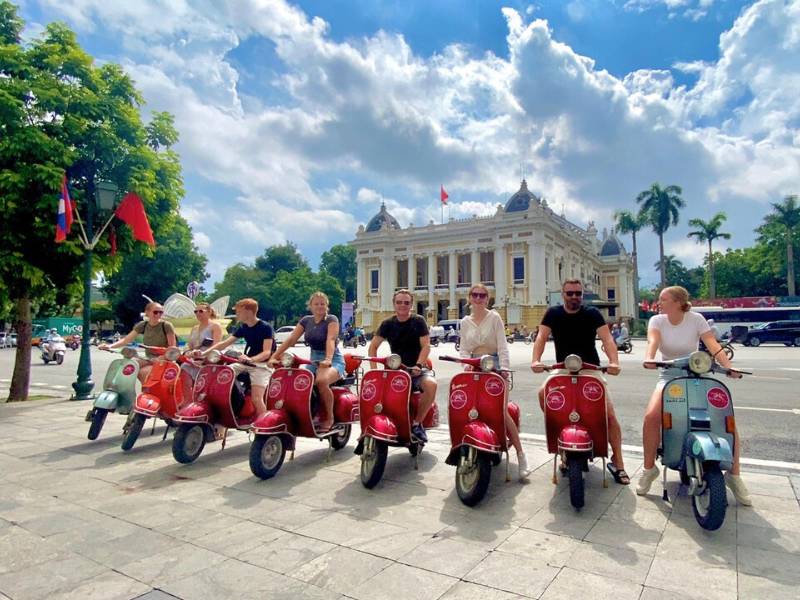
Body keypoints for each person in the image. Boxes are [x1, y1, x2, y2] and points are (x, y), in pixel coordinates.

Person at [637, 286, 751, 505]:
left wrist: (728, 366)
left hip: (697, 372)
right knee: (651, 416)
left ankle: (734, 475)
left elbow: (713, 345)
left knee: (727, 421)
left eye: (663, 299)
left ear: (679, 302)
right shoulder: (657, 321)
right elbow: (653, 341)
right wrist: (650, 358)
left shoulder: (696, 319)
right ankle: (649, 468)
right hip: (670, 375)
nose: (659, 302)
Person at [531, 279, 628, 484]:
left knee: (609, 414)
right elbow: (541, 337)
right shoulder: (553, 313)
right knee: (543, 394)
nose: (574, 297)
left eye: (578, 293)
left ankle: (618, 460)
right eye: (570, 293)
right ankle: (562, 442)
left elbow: (607, 339)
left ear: (582, 295)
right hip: (563, 368)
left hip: (589, 369)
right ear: (562, 295)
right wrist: (536, 360)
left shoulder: (592, 313)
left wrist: (614, 362)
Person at [459, 283, 530, 480]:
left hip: (494, 364)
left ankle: (521, 455)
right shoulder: (465, 321)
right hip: (473, 365)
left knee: (501, 409)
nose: (479, 298)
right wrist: (465, 364)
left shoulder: (494, 317)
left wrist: (504, 369)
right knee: (467, 406)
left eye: (483, 295)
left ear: (487, 298)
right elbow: (463, 348)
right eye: (475, 295)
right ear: (470, 297)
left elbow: (502, 346)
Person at [368, 289, 437, 442]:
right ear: (394, 304)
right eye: (399, 302)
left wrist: (419, 365)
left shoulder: (418, 321)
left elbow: (426, 346)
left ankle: (417, 423)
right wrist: (374, 371)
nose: (402, 306)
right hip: (395, 370)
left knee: (431, 385)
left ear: (411, 305)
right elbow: (373, 347)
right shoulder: (387, 324)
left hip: (416, 369)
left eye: (406, 303)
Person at [272, 292, 346, 433]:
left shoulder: (331, 319)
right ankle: (305, 413)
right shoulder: (306, 320)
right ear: (310, 306)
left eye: (322, 304)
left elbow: (330, 340)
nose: (319, 306)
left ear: (327, 306)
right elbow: (291, 339)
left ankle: (329, 417)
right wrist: (274, 356)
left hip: (332, 359)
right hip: (313, 360)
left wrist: (328, 359)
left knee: (321, 381)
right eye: (316, 304)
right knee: (297, 382)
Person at [202, 298, 274, 417]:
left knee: (257, 399)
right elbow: (223, 344)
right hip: (245, 363)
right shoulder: (243, 327)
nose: (236, 314)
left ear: (248, 311)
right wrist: (203, 354)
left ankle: (265, 426)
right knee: (223, 374)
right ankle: (231, 411)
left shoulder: (265, 327)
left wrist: (252, 359)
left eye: (238, 311)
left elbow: (267, 352)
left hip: (261, 365)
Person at [100, 301, 177, 383]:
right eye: (155, 312)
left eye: (161, 312)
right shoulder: (143, 325)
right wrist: (110, 346)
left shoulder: (166, 326)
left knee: (143, 372)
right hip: (149, 358)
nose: (158, 315)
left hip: (163, 360)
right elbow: (126, 340)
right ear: (147, 312)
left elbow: (172, 348)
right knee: (127, 367)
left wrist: (161, 358)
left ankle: (147, 394)